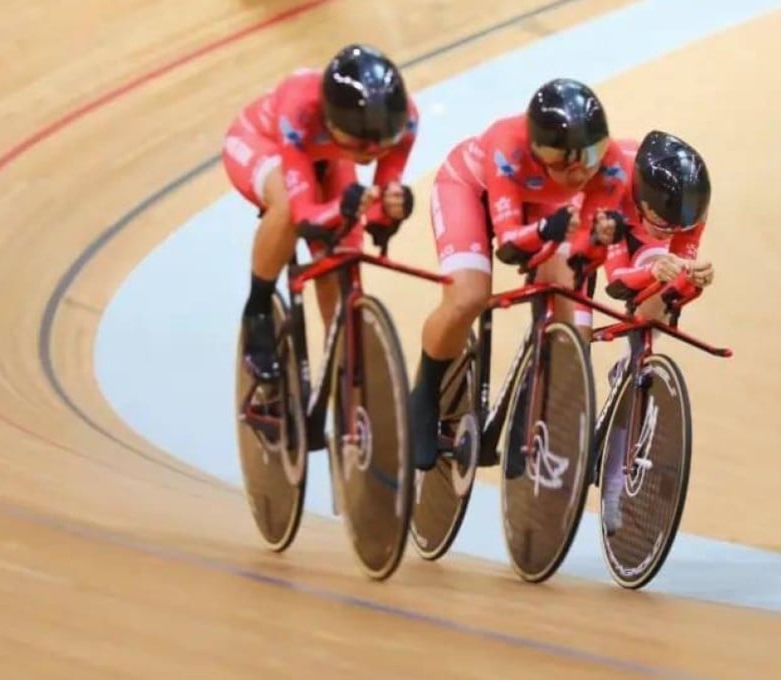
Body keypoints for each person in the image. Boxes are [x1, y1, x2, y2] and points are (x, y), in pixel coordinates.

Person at [408, 77, 630, 473]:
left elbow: (584, 256)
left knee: (569, 304)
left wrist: (591, 243)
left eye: (590, 156)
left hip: (542, 209)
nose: (579, 171)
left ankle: (532, 395)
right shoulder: (507, 146)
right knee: (468, 297)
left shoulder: (611, 166)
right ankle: (424, 395)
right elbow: (510, 245)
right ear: (537, 149)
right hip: (470, 192)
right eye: (563, 160)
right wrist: (549, 232)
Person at [221, 43, 419, 382]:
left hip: (329, 157)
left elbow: (378, 215)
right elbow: (305, 216)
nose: (372, 153)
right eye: (360, 144)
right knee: (285, 206)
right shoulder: (299, 107)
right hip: (264, 144)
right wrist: (341, 209)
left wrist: (393, 210)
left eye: (382, 145)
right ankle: (257, 311)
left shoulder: (405, 121)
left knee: (341, 268)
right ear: (331, 121)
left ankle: (344, 382)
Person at [600, 129, 714, 534]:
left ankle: (628, 368)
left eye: (679, 227)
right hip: (597, 221)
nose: (674, 233)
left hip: (639, 235)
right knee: (573, 303)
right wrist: (649, 270)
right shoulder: (615, 185)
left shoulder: (687, 214)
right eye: (666, 225)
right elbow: (614, 281)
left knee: (657, 306)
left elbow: (672, 294)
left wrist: (692, 282)